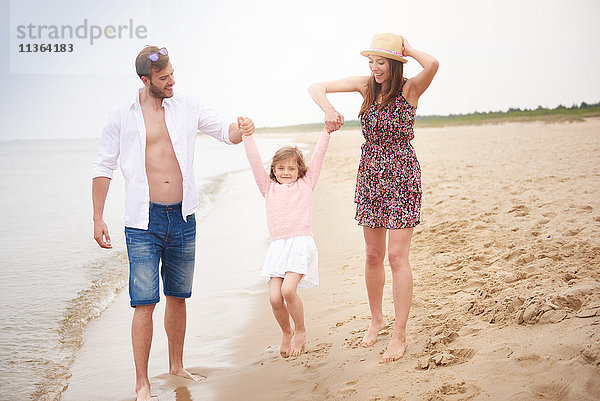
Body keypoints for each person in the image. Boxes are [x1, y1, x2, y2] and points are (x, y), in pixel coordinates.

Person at [91, 46, 254, 401]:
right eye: (164, 78)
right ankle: (142, 383)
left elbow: (225, 133)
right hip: (142, 221)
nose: (172, 82)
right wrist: (98, 216)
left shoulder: (188, 106)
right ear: (145, 80)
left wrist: (242, 128)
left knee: (178, 296)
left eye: (172, 74)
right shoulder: (121, 116)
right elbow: (103, 167)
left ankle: (177, 365)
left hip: (182, 215)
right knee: (144, 302)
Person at [308, 33, 438, 363]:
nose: (374, 67)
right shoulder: (367, 86)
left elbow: (434, 64)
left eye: (381, 62)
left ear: (394, 63)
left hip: (402, 175)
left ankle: (399, 334)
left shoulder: (410, 89)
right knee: (372, 254)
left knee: (397, 256)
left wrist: (406, 48)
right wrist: (329, 110)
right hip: (370, 175)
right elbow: (316, 87)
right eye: (371, 61)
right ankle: (377, 320)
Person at [240, 120, 332, 358]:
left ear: (300, 171)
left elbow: (319, 156)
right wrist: (246, 136)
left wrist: (326, 131)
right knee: (274, 297)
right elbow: (253, 162)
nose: (286, 173)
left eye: (291, 169)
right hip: (278, 248)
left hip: (300, 243)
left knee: (288, 291)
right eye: (280, 169)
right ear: (274, 170)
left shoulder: (306, 184)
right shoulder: (268, 188)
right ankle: (286, 332)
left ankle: (300, 330)